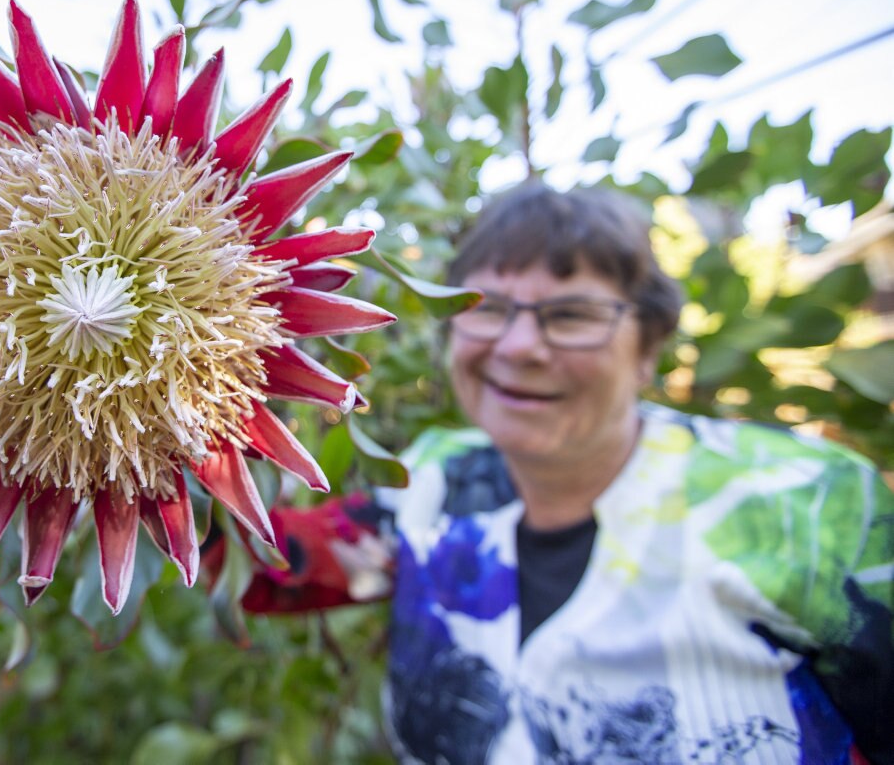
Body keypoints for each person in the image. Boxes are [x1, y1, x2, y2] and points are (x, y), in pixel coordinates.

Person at [243, 183, 893, 765]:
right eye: (488, 307)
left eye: (572, 315)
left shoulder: (810, 503)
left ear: (648, 349)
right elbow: (271, 560)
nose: (520, 347)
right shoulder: (437, 478)